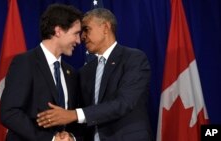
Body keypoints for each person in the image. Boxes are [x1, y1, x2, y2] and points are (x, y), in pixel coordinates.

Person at [37, 8, 153, 141]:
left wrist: (74, 115)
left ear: (105, 27)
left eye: (86, 29)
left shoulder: (134, 59)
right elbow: (83, 113)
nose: (82, 37)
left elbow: (124, 103)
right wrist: (70, 136)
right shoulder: (85, 72)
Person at [0, 4, 83, 141]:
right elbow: (10, 113)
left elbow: (70, 117)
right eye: (76, 33)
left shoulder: (70, 72)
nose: (79, 41)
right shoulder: (25, 63)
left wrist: (70, 136)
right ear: (58, 31)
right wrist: (50, 139)